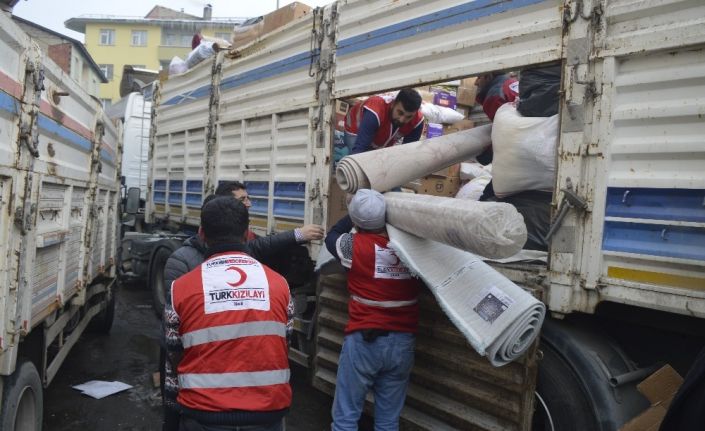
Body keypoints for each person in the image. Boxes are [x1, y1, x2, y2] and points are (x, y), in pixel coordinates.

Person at [161, 184, 323, 431]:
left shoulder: (181, 288)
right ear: (247, 232)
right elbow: (282, 342)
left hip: (203, 414)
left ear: (203, 232)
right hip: (267, 414)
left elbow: (173, 352)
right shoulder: (279, 285)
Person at [324, 189, 423, 431]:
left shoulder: (352, 246)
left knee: (346, 418)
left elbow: (332, 235)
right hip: (402, 344)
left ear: (357, 221)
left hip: (364, 341)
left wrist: (354, 215)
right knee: (388, 422)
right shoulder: (413, 249)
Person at [342, 88, 424, 159]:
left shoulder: (417, 121)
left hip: (383, 132)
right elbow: (359, 149)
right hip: (355, 130)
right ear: (393, 103)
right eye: (400, 113)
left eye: (408, 117)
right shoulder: (375, 111)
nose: (402, 120)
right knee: (361, 160)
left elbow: (408, 154)